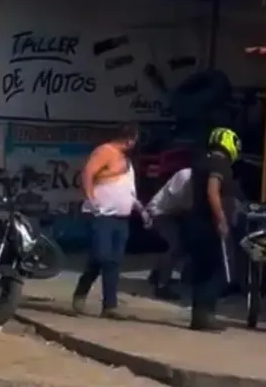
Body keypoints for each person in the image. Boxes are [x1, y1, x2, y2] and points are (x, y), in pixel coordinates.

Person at [72, 123, 148, 318]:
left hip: (121, 218)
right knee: (101, 256)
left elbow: (129, 191)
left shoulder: (126, 162)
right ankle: (82, 290)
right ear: (130, 140)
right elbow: (88, 173)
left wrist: (141, 210)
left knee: (114, 262)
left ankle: (110, 306)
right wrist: (91, 198)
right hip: (102, 215)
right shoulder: (105, 151)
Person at [188, 127, 241, 331]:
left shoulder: (201, 161)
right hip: (209, 224)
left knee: (201, 272)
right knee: (216, 272)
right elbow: (212, 191)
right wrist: (221, 219)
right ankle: (207, 316)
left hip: (196, 222)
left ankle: (199, 317)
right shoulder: (220, 163)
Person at [145, 167, 193, 300]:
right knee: (172, 245)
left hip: (176, 215)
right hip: (160, 212)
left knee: (182, 244)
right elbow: (176, 202)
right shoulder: (185, 175)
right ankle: (161, 285)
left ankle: (157, 274)